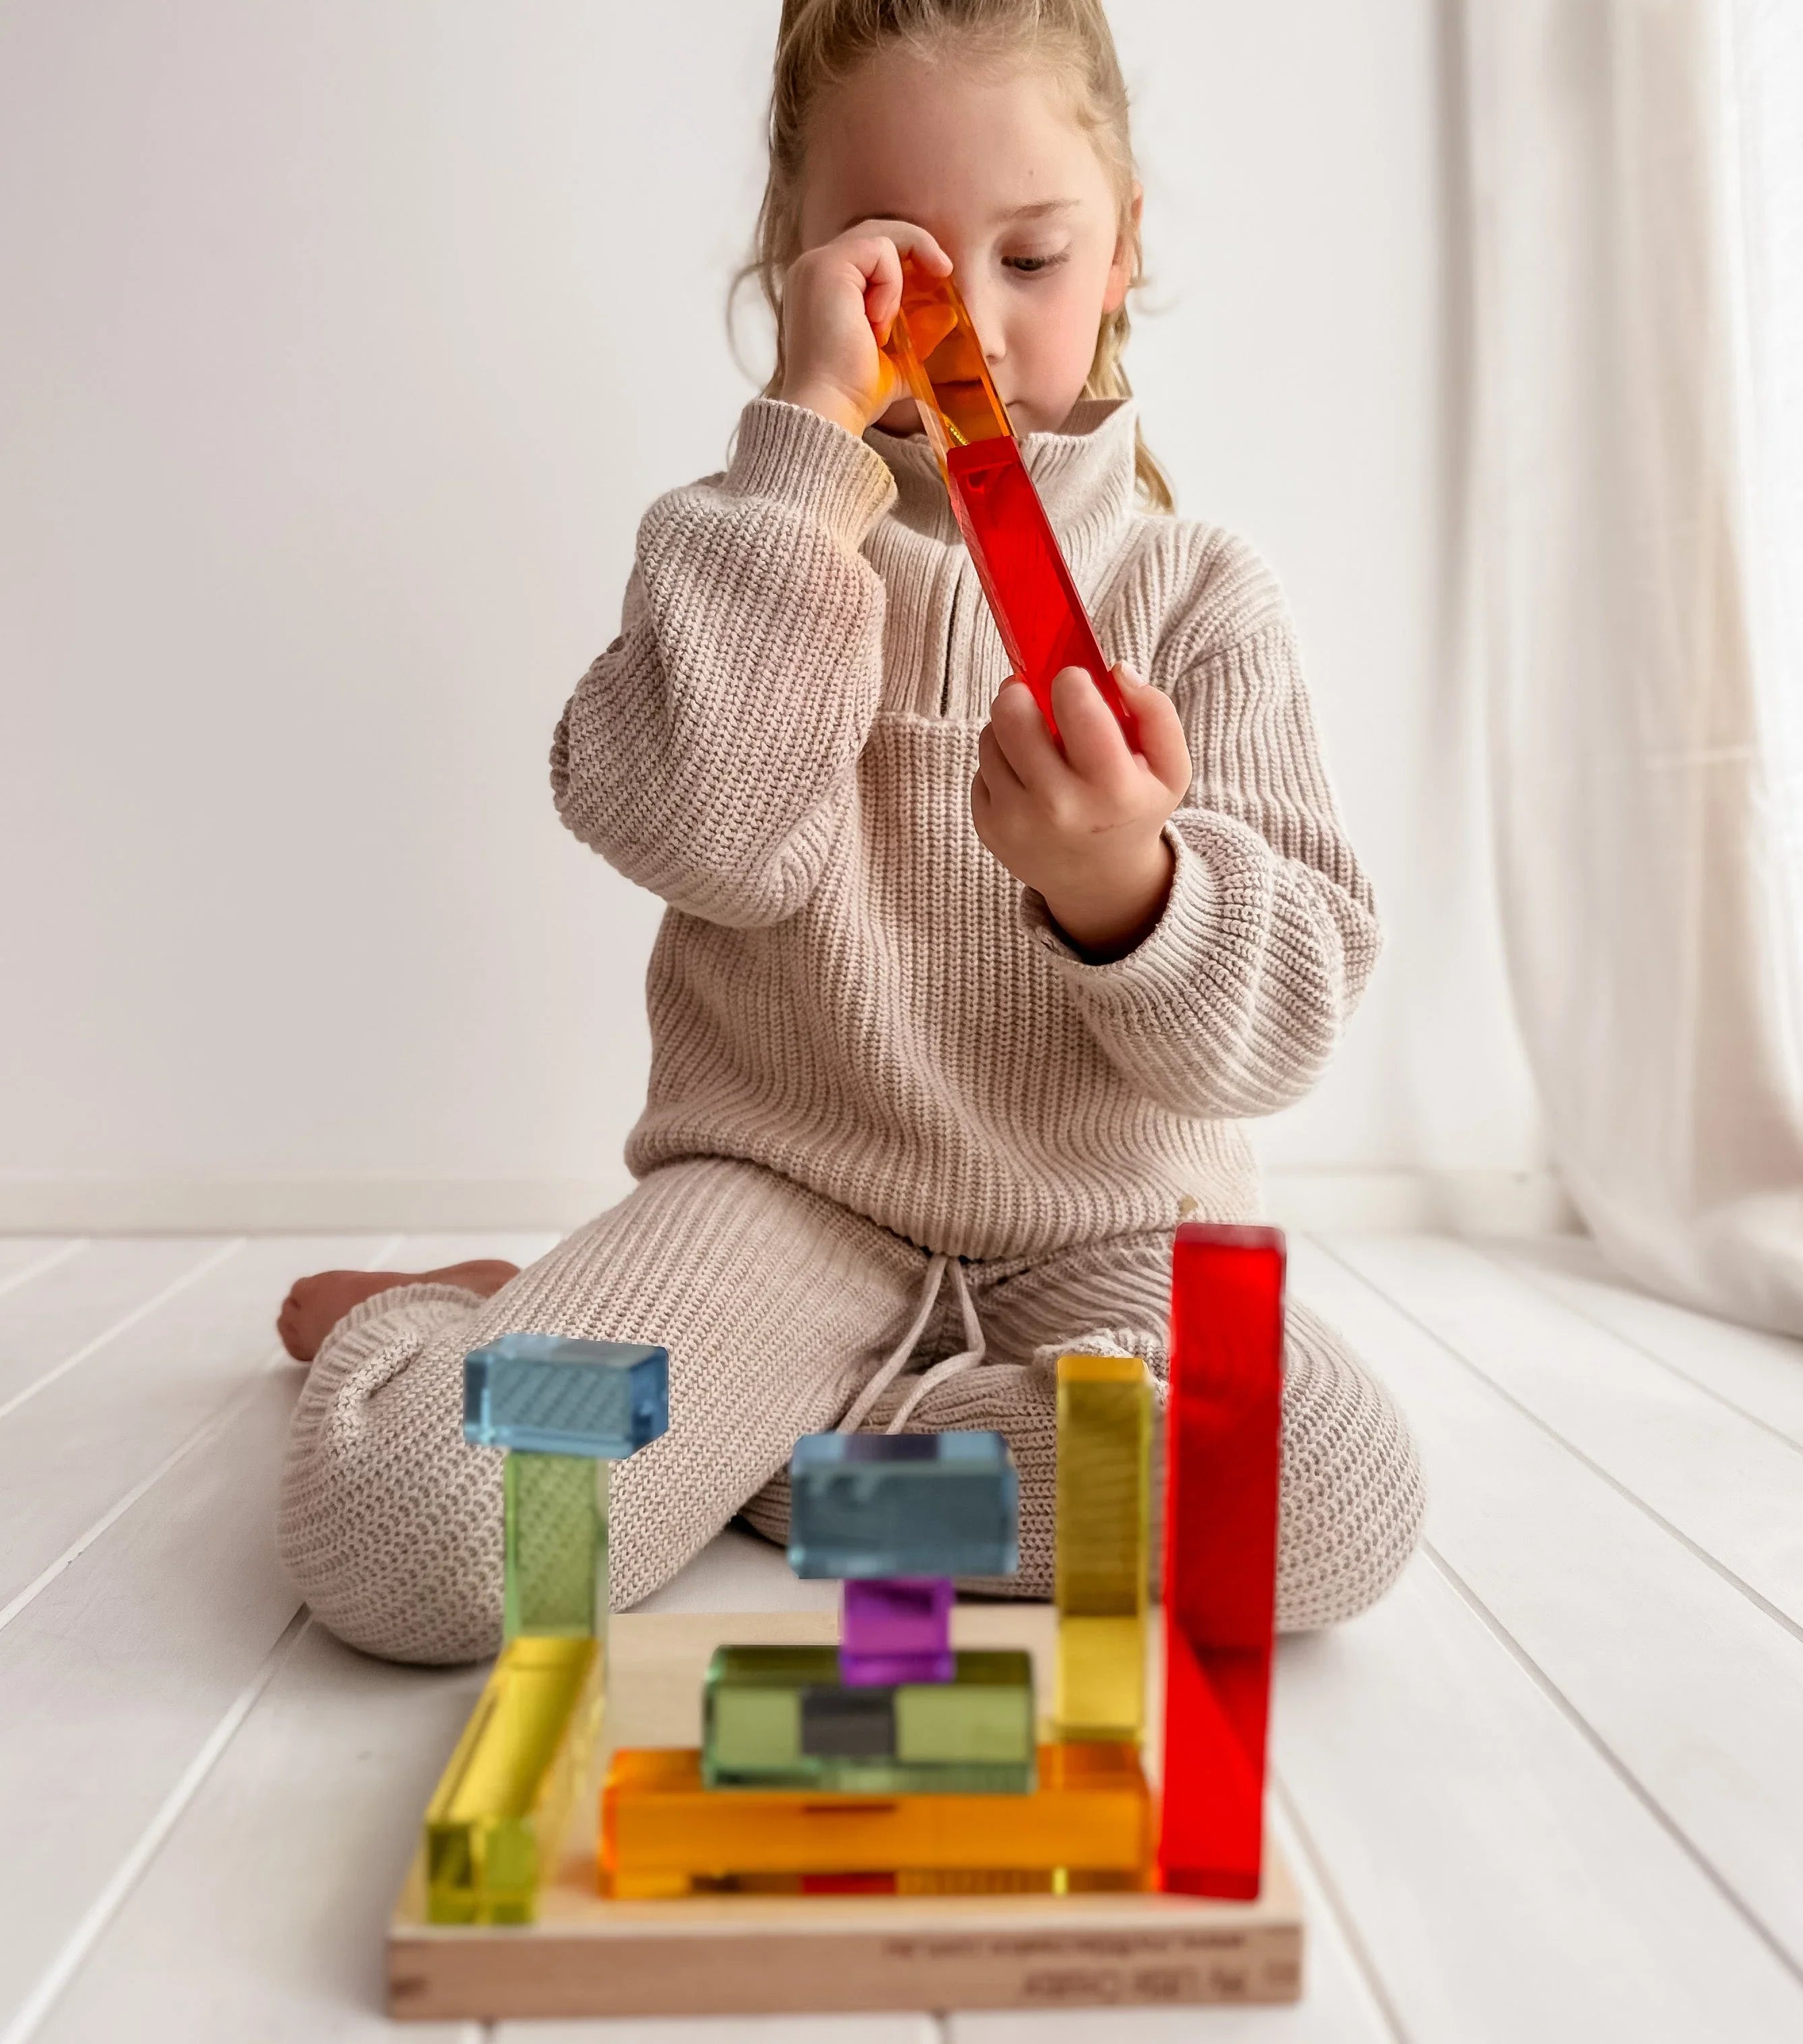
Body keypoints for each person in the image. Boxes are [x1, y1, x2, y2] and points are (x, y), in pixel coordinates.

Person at [277, 0, 1423, 1664]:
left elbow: (1288, 1025)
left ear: (1123, 253)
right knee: (425, 1536)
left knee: (1323, 1490)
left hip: (1106, 1230)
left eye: (1031, 259)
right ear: (795, 262)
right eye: (894, 261)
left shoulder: (1200, 593)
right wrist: (804, 465)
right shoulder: (741, 548)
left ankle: (786, 1477)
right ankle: (443, 1328)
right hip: (772, 1216)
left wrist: (1130, 889)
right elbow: (704, 835)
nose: (962, 328)